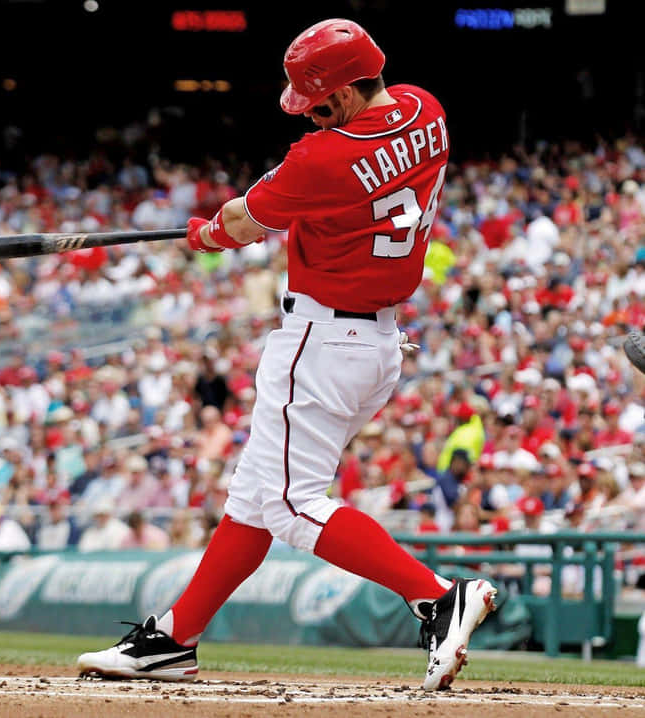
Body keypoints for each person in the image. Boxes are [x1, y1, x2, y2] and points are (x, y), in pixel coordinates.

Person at [77, 18, 496, 691]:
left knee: (289, 505)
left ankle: (437, 596)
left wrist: (209, 233)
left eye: (320, 101)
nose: (313, 113)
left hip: (323, 342)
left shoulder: (323, 158)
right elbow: (321, 197)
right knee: (254, 498)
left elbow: (241, 223)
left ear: (349, 92)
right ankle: (173, 640)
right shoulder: (427, 109)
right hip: (375, 341)